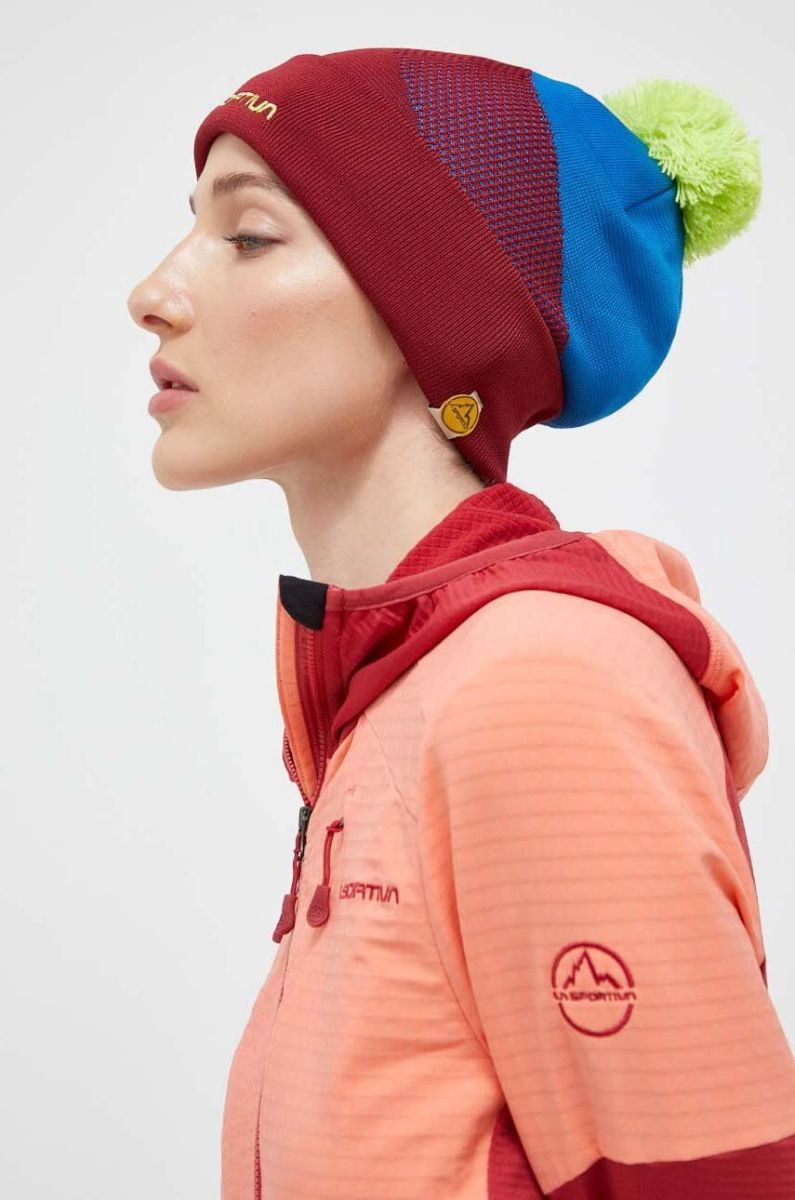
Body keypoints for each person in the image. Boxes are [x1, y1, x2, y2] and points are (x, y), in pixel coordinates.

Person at [127, 46, 795, 1200]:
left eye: (249, 236)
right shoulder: (402, 692)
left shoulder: (539, 688)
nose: (153, 292)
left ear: (432, 315)